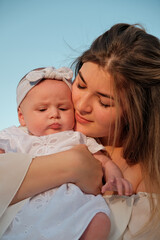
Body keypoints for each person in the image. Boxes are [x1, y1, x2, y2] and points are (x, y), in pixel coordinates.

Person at [0, 22, 160, 239]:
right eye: (81, 85)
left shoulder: (148, 180)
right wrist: (72, 164)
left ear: (137, 113)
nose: (81, 105)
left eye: (104, 102)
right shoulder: (37, 133)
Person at [0, 66, 132, 240]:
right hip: (28, 206)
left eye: (63, 108)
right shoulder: (16, 136)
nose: (54, 114)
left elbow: (104, 162)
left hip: (72, 207)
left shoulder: (78, 137)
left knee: (100, 219)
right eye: (42, 110)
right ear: (22, 116)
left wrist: (116, 178)